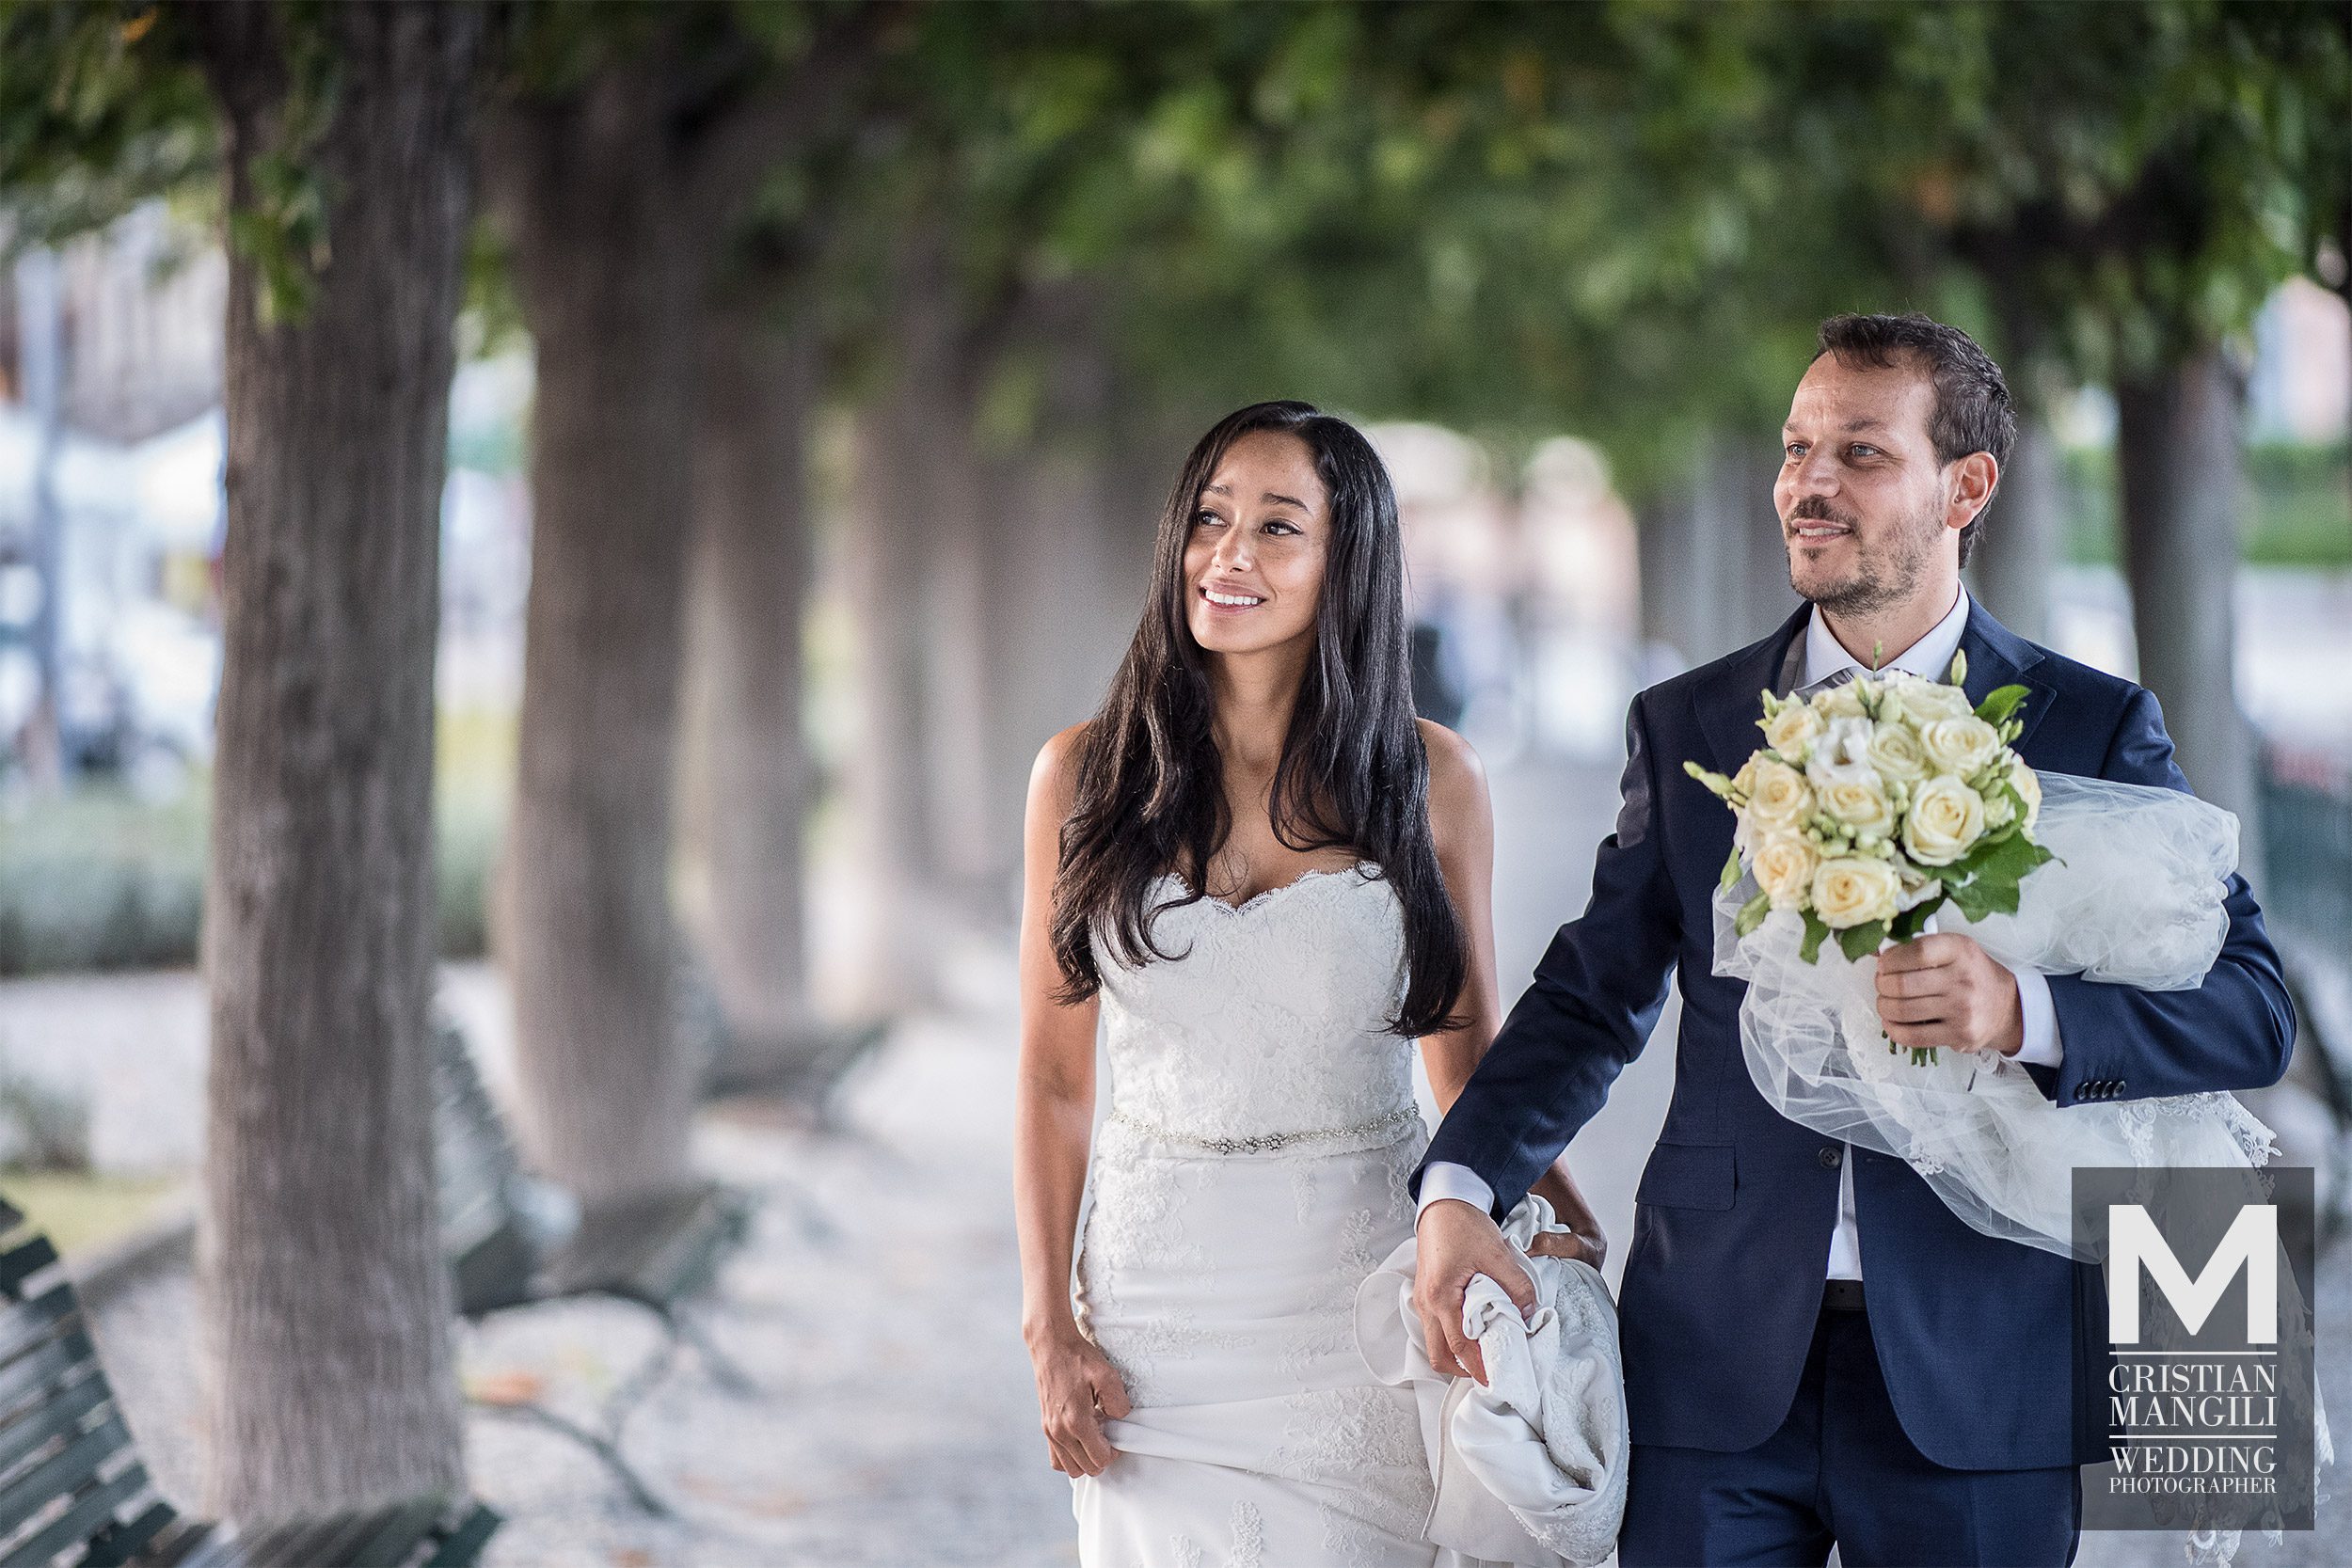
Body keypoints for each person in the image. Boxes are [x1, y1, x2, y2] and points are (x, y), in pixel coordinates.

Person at [1407, 313, 2296, 1568]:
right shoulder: (1689, 721)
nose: (1808, 483)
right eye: (1795, 449)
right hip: (1711, 1355)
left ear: (1965, 487)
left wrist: (2026, 1011)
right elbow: (1590, 999)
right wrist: (1458, 1186)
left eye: (1861, 453)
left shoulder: (2092, 727)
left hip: (1984, 1362)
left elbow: (2253, 1008)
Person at [1012, 400, 1606, 1567]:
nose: (1228, 553)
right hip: (1154, 1315)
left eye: (1277, 526)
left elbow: (1467, 1059)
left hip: (1359, 1301)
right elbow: (1051, 1080)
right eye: (1210, 518)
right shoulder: (1079, 777)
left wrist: (1558, 1210)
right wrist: (1047, 1328)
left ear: (1349, 562)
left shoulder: (1432, 780)